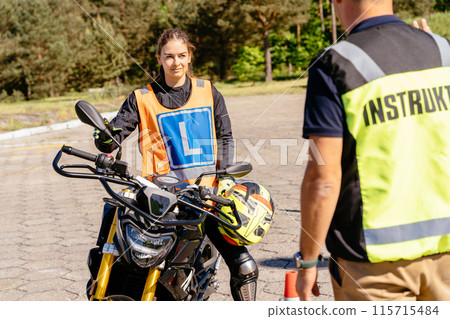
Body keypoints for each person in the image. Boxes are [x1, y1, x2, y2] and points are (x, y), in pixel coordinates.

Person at [295, 0, 450, 301]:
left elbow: (323, 179)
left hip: (372, 267)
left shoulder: (334, 63)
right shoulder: (443, 50)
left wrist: (308, 260)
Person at [94, 29, 259, 301]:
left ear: (190, 56)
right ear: (158, 58)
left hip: (206, 200)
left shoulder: (208, 91)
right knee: (135, 265)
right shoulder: (141, 98)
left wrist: (225, 177)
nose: (176, 62)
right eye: (169, 56)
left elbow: (225, 136)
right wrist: (103, 137)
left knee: (245, 266)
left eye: (182, 55)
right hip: (160, 202)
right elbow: (112, 139)